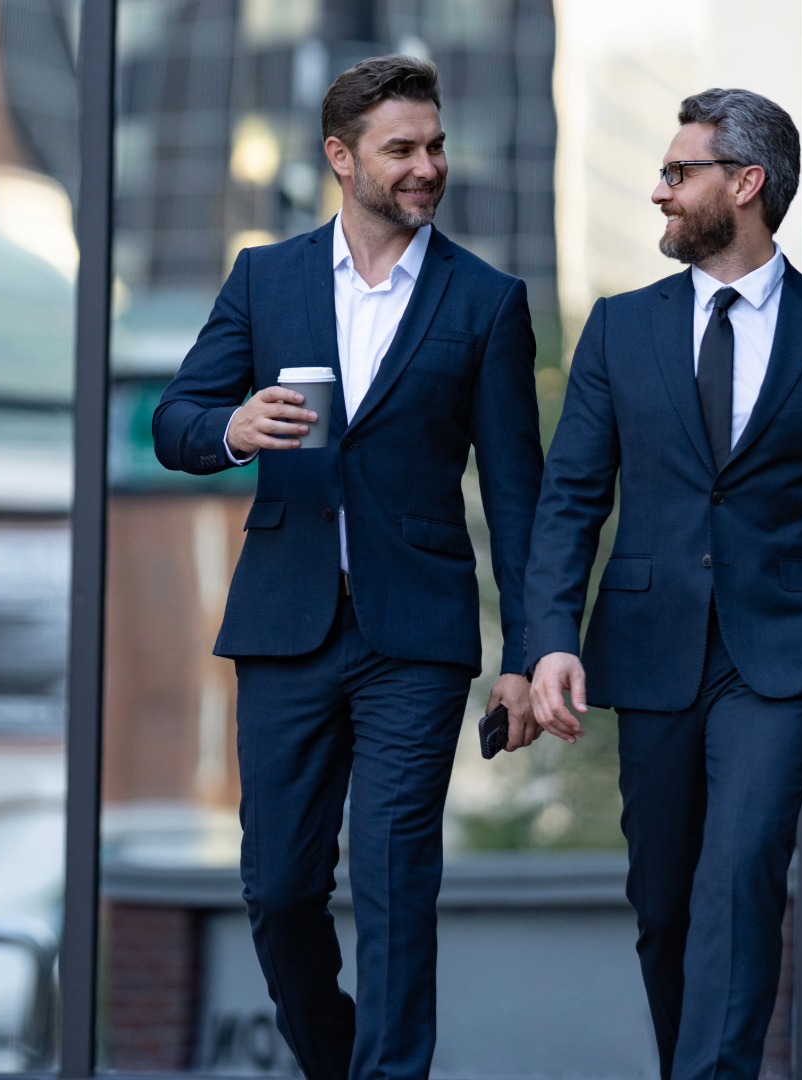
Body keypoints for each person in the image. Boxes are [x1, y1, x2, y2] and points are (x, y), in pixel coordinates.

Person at [150, 55, 544, 1080]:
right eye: (402, 149)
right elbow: (174, 423)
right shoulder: (265, 279)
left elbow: (518, 498)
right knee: (278, 890)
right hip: (284, 626)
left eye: (436, 145)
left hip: (412, 636)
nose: (428, 167)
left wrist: (532, 653)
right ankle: (335, 1063)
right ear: (340, 158)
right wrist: (233, 426)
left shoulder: (487, 302)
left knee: (394, 877)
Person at [523, 87, 802, 1078]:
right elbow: (570, 500)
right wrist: (548, 640)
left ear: (745, 183)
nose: (657, 192)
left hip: (783, 660)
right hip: (650, 652)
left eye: (677, 173)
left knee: (740, 878)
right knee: (664, 904)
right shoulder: (617, 330)